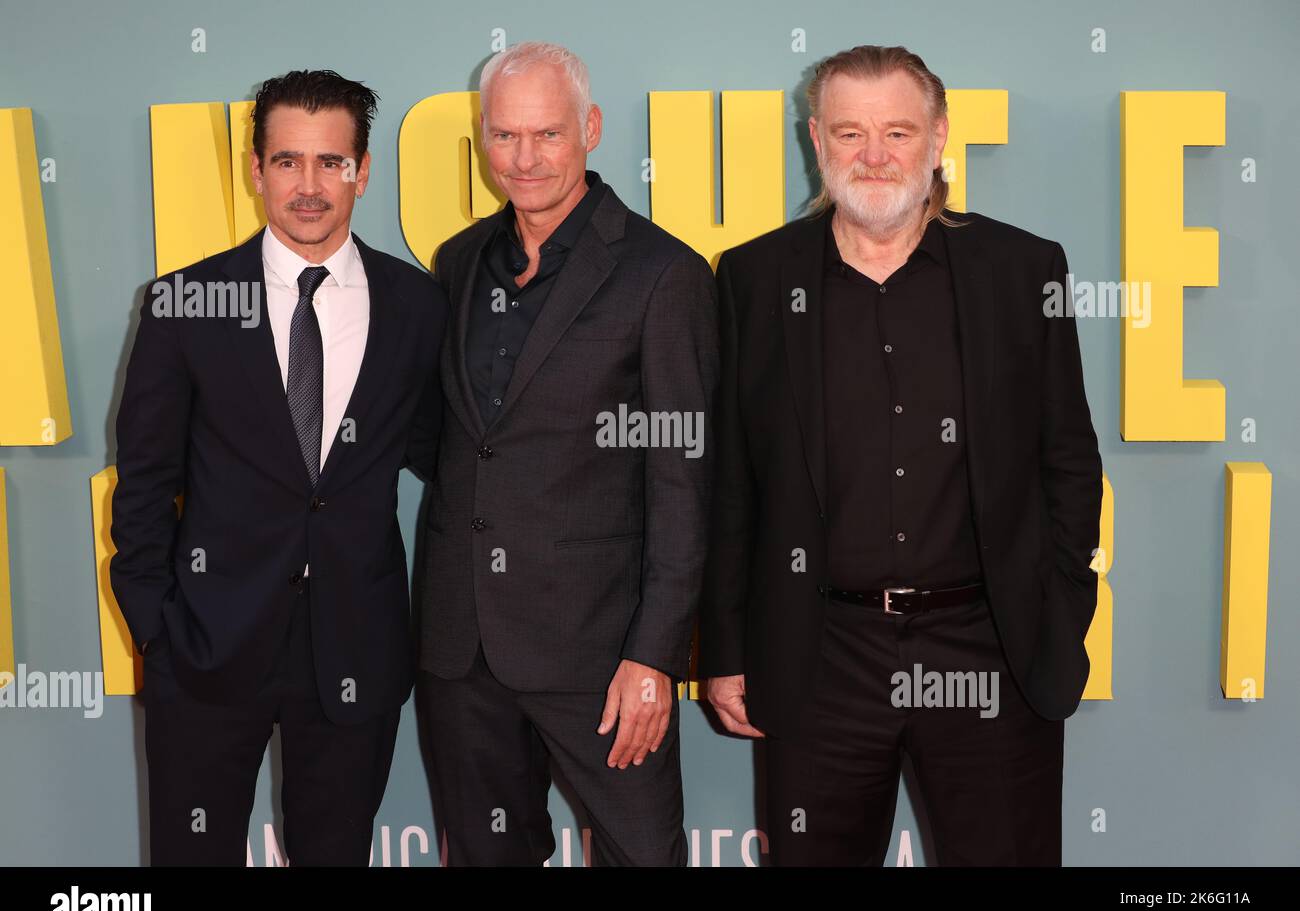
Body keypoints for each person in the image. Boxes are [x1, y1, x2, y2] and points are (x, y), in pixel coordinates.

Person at [700, 45, 1103, 866]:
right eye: (850, 132)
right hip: (820, 658)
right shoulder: (752, 279)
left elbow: (1069, 457)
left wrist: (1056, 604)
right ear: (816, 140)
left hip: (990, 651)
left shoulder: (1024, 270)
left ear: (939, 137)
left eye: (897, 131)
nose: (873, 155)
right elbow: (731, 483)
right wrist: (728, 649)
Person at [110, 69, 448, 865]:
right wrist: (157, 631)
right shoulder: (182, 303)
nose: (309, 185)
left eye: (331, 162)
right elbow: (146, 483)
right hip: (203, 648)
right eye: (288, 161)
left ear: (364, 171)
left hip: (355, 647)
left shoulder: (418, 305)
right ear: (255, 169)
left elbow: (443, 456)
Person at [416, 41, 718, 866]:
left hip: (601, 651)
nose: (525, 158)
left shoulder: (663, 275)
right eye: (506, 137)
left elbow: (683, 484)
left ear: (588, 128)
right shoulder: (458, 263)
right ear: (483, 141)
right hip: (461, 646)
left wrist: (654, 655)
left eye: (546, 135)